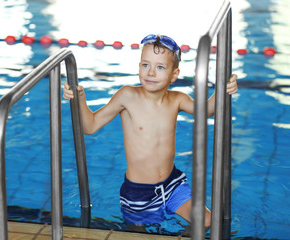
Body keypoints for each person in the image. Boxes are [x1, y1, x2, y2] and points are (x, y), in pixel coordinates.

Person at [63, 34, 238, 230]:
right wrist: (79, 98)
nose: (151, 73)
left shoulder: (177, 99)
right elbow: (90, 126)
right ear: (139, 67)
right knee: (140, 234)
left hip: (173, 184)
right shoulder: (127, 96)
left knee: (207, 221)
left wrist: (224, 88)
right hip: (139, 194)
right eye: (145, 65)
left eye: (160, 67)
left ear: (174, 74)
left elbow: (207, 109)